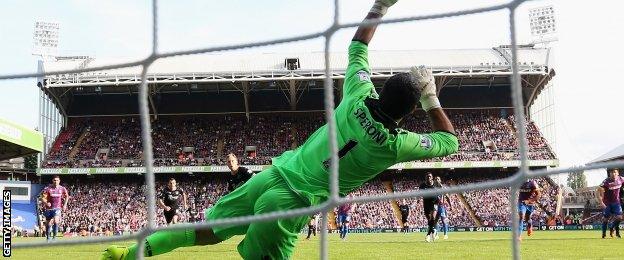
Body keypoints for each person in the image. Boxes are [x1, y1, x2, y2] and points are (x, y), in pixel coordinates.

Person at [101, 0, 458, 258]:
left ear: (382, 86)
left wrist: (380, 6)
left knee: (206, 231)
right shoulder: (397, 145)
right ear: (409, 113)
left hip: (272, 176)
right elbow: (449, 140)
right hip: (292, 202)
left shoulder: (356, 95)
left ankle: (132, 252)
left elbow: (358, 46)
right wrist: (430, 99)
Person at [40, 175, 69, 242]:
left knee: (56, 221)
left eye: (57, 180)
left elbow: (67, 196)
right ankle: (48, 238)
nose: (56, 181)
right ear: (52, 181)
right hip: (49, 209)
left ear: (59, 181)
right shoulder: (48, 189)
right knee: (48, 224)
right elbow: (42, 198)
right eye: (54, 180)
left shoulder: (62, 189)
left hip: (57, 208)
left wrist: (64, 205)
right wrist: (46, 203)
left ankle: (54, 237)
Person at [598, 168, 623, 238]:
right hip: (607, 203)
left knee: (619, 217)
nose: (613, 174)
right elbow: (597, 190)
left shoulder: (621, 179)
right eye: (611, 172)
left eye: (615, 172)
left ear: (618, 173)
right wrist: (601, 202)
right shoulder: (606, 181)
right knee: (606, 218)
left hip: (616, 202)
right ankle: (604, 234)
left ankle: (612, 227)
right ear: (609, 174)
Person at [420, 173, 439, 242]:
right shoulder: (422, 185)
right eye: (427, 177)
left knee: (433, 218)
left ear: (432, 178)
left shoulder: (436, 184)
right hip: (426, 203)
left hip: (434, 203)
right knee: (429, 220)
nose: (428, 178)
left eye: (430, 176)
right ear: (425, 178)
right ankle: (434, 230)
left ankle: (428, 235)